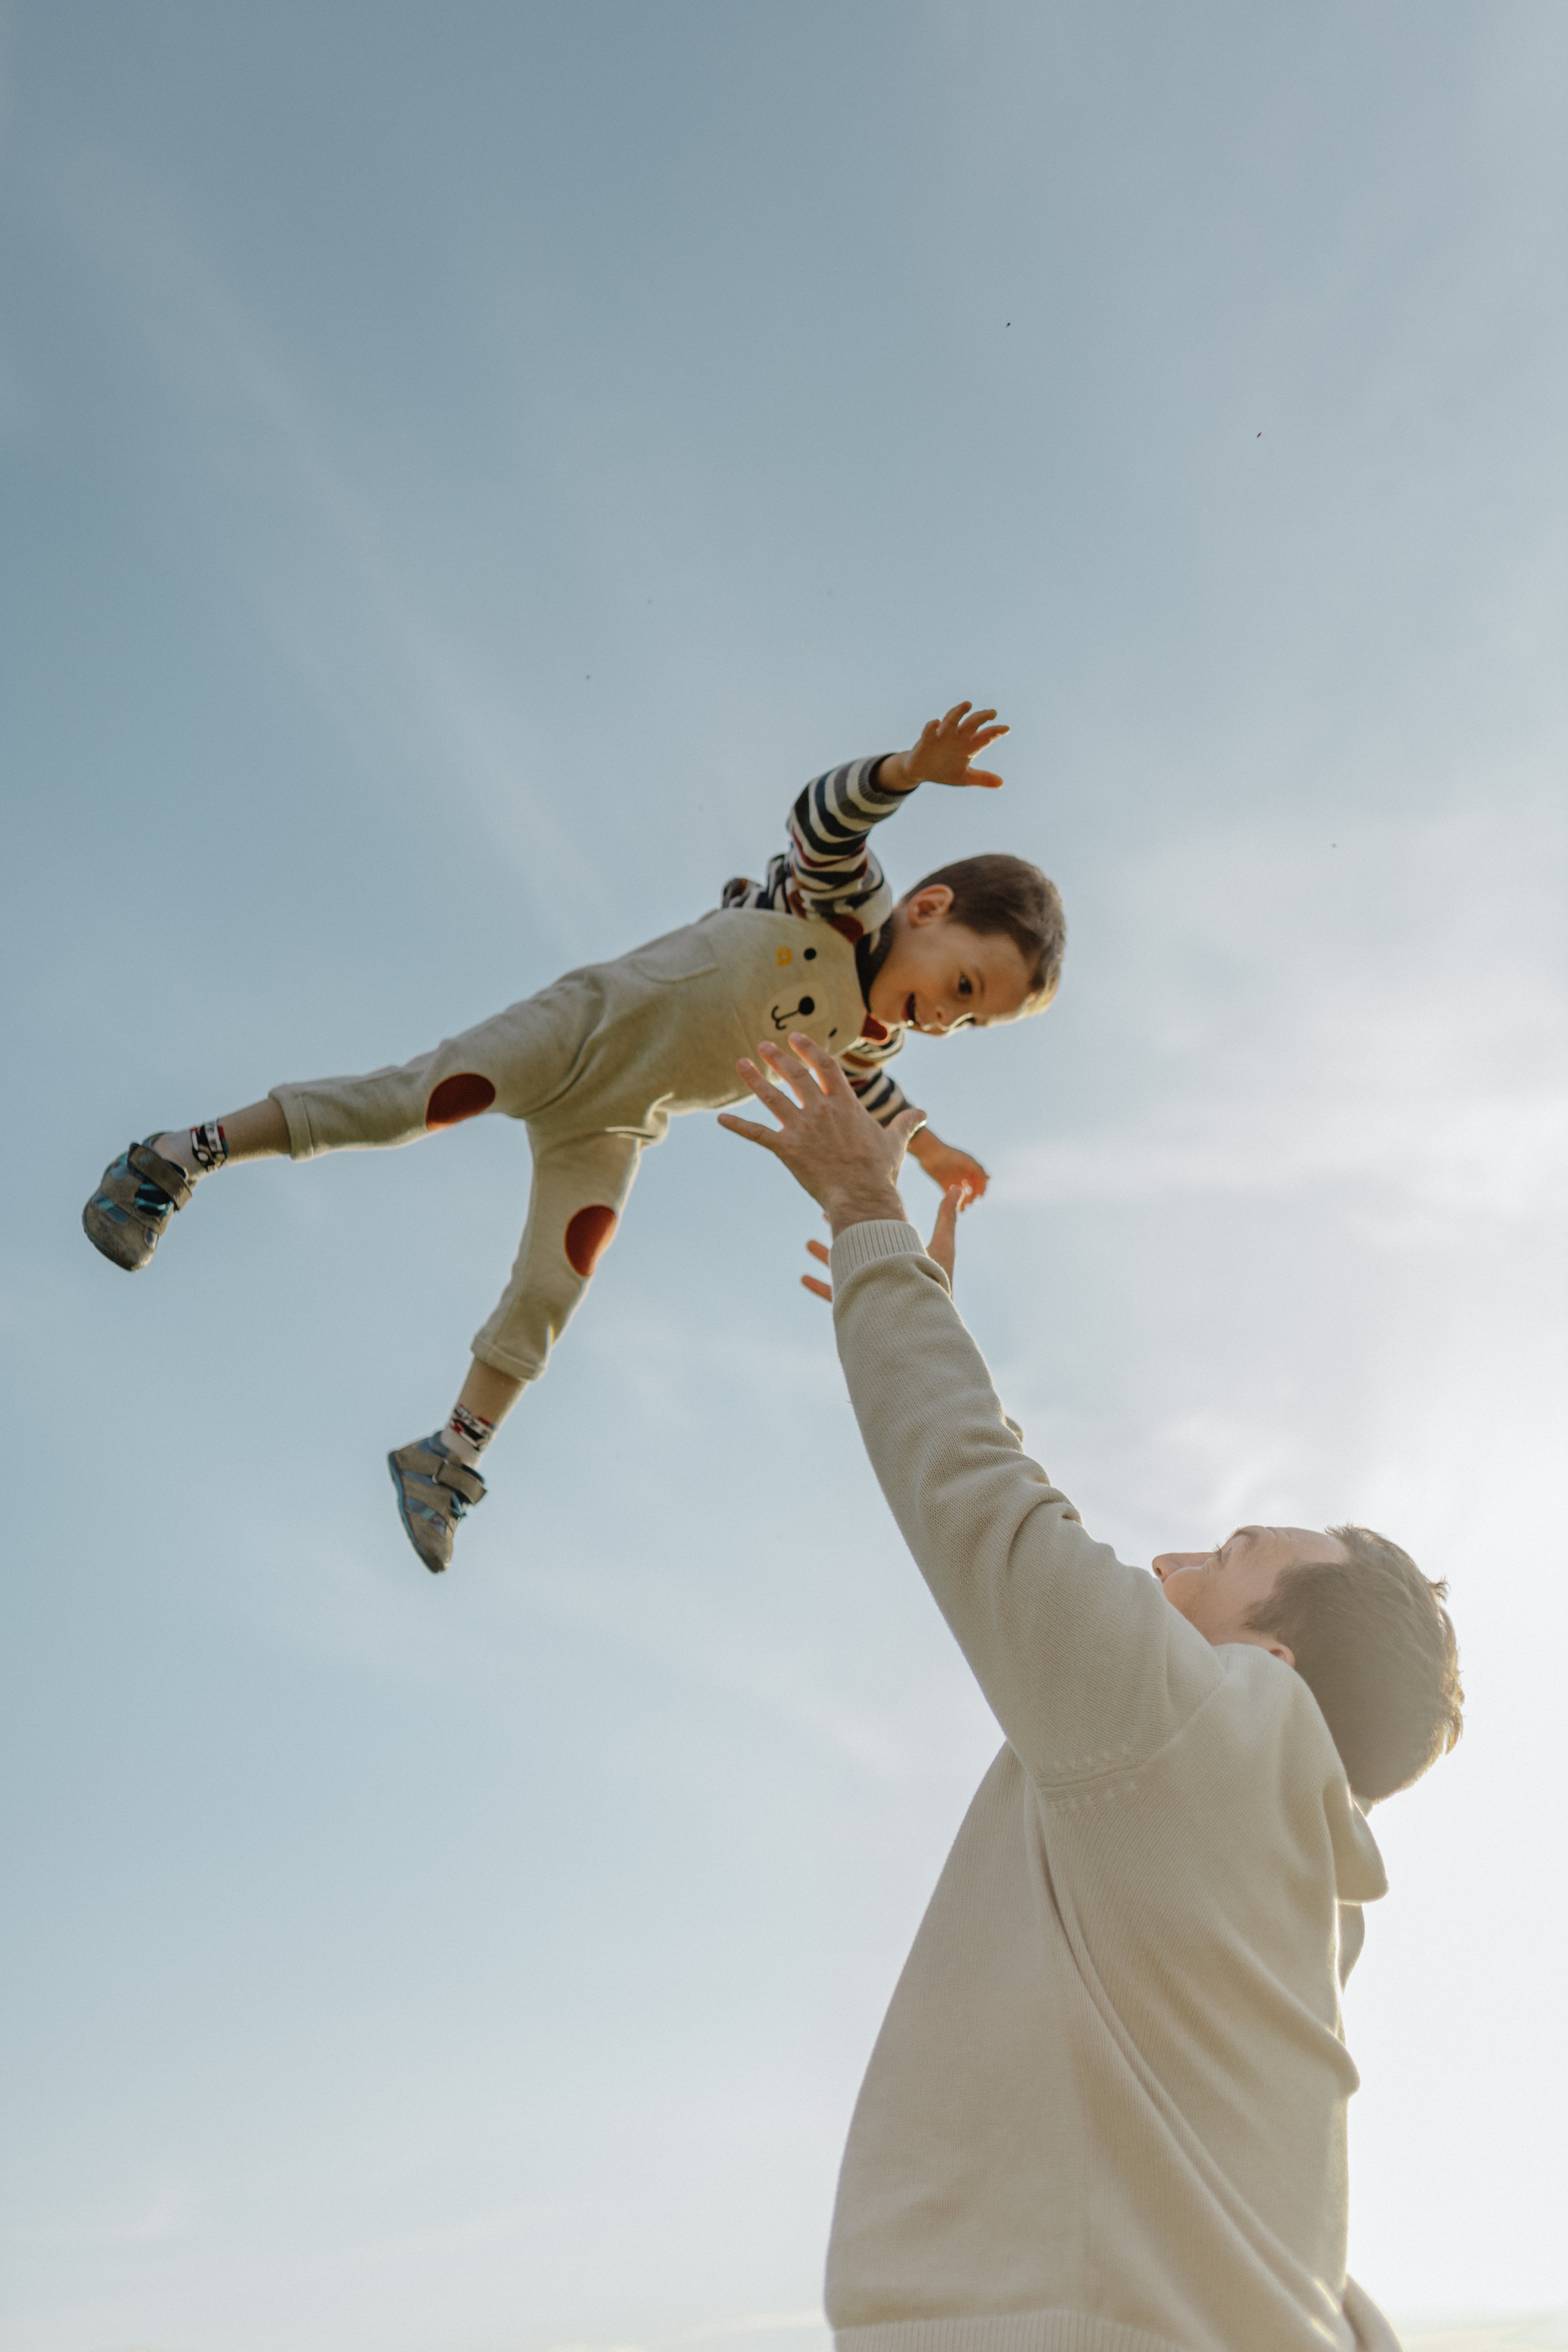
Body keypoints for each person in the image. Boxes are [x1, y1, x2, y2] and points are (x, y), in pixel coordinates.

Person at [718, 1034, 1463, 2352]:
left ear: (1272, 1667)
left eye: (1231, 1558)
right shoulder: (1302, 1910)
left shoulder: (1220, 1729)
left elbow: (986, 1506)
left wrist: (866, 1216)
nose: (1169, 1560)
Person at [80, 703, 1065, 1573]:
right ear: (927, 911)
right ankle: (175, 1157)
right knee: (402, 1104)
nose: (948, 1019)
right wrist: (903, 772)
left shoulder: (861, 1036)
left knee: (559, 1281)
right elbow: (824, 817)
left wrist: (930, 1152)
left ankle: (450, 1455)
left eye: (972, 1023)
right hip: (578, 1031)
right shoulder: (839, 905)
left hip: (616, 1123)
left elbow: (870, 1094)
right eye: (963, 988)